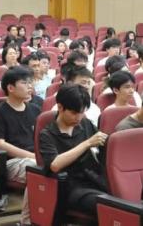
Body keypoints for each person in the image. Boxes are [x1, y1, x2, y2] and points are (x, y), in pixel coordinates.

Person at [39, 84, 108, 217]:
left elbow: (104, 146)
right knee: (107, 205)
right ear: (60, 107)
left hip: (94, 179)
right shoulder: (47, 134)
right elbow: (55, 165)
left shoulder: (85, 124)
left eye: (82, 113)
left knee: (123, 201)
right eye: (74, 113)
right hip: (71, 187)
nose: (79, 118)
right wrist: (87, 143)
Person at [0, 67, 40, 223]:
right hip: (9, 162)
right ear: (10, 88)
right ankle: (26, 222)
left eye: (30, 83)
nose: (30, 86)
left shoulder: (35, 110)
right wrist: (34, 157)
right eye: (25, 83)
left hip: (33, 159)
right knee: (37, 171)